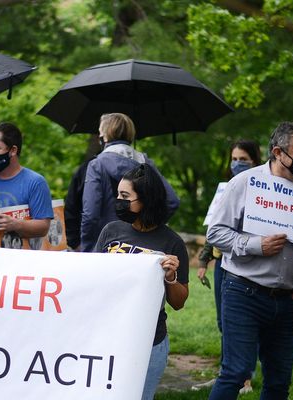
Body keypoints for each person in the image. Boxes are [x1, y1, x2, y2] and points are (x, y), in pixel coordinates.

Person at [206, 122, 293, 400]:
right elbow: (215, 232)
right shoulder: (244, 183)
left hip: (287, 301)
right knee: (235, 372)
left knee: (279, 382)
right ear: (278, 152)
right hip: (243, 292)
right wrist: (256, 245)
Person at [92, 164, 189, 400]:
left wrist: (170, 278)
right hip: (108, 337)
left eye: (125, 197)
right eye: (118, 195)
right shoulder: (110, 231)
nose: (118, 201)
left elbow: (178, 302)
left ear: (145, 199)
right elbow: (93, 278)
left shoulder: (172, 243)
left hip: (150, 343)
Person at [192, 138, 261, 394]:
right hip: (221, 263)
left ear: (255, 161)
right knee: (225, 322)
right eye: (234, 159)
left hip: (244, 265)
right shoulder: (225, 188)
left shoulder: (261, 189)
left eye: (243, 159)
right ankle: (227, 373)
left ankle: (245, 379)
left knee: (245, 322)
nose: (237, 164)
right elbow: (215, 227)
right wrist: (204, 259)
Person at [79, 113, 179, 251]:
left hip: (108, 245)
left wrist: (87, 248)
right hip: (145, 247)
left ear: (105, 136)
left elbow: (90, 214)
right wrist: (150, 229)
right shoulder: (145, 163)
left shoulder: (97, 165)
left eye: (100, 133)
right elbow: (172, 201)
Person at [63, 135, 102, 251]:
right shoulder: (87, 168)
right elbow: (72, 208)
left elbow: (71, 208)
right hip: (90, 245)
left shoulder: (139, 165)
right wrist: (75, 243)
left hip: (90, 244)